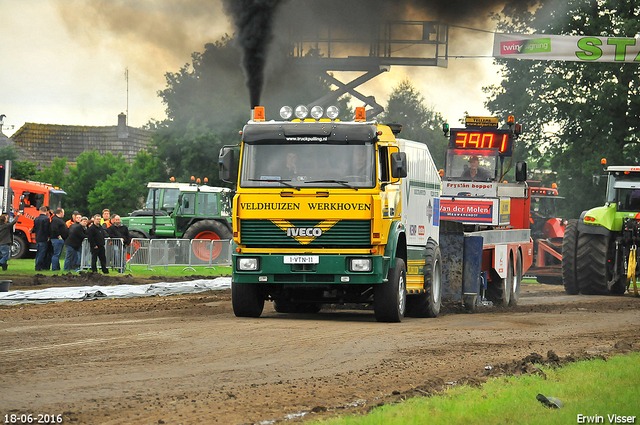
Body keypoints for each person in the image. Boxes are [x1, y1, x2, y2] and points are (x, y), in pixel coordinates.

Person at [33, 206, 51, 271]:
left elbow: (34, 228)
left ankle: (36, 265)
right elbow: (46, 229)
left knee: (38, 253)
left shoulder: (36, 219)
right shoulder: (46, 219)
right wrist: (48, 236)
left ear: (40, 211)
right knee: (42, 253)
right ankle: (38, 267)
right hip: (43, 238)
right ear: (46, 211)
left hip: (37, 237)